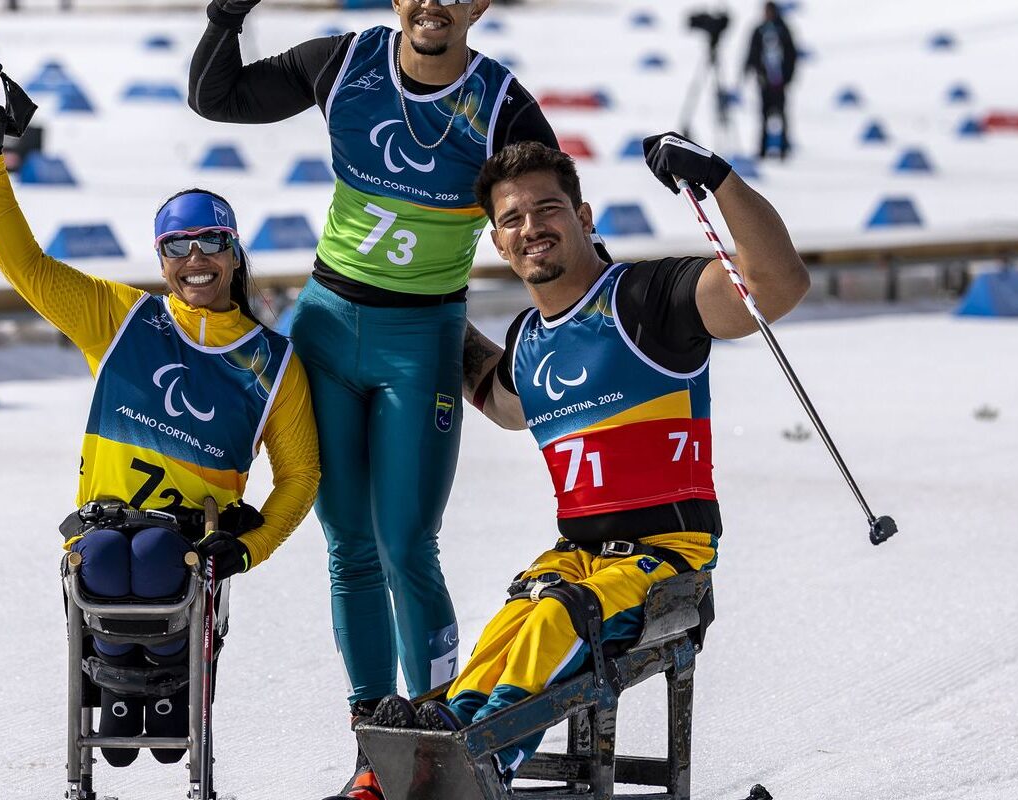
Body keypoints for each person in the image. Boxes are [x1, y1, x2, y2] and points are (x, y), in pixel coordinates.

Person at [188, 2, 559, 796]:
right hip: (325, 330)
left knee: (405, 545)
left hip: (420, 342)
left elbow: (542, 223)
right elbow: (217, 99)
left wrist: (559, 332)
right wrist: (225, 17)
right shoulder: (343, 63)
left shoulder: (502, 106)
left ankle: (433, 739)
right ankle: (372, 754)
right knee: (348, 547)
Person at [365, 135, 809, 785]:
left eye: (546, 209)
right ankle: (439, 737)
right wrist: (423, 305)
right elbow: (501, 397)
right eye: (511, 219)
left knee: (554, 617)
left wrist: (718, 178)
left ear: (583, 217)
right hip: (575, 562)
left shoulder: (647, 299)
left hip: (669, 562)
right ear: (497, 242)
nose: (530, 228)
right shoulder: (529, 338)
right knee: (513, 623)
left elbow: (779, 284)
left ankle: (476, 761)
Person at [0, 102, 320, 768]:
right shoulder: (123, 319)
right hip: (104, 527)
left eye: (211, 240)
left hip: (183, 539)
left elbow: (301, 477)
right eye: (175, 246)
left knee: (155, 555)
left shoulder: (274, 362)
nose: (195, 259)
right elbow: (29, 268)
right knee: (100, 560)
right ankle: (120, 687)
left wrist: (250, 549)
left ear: (237, 253)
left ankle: (161, 683)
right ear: (162, 259)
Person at [744, 1, 798, 159]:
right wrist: (749, 69)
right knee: (763, 116)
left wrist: (788, 77)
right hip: (764, 81)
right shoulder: (759, 31)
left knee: (781, 115)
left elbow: (791, 55)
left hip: (779, 82)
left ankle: (783, 148)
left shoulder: (783, 30)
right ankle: (762, 149)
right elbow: (752, 52)